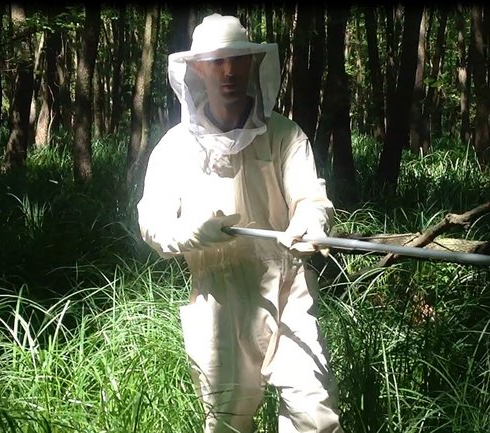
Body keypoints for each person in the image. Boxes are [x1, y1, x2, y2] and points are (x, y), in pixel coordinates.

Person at [136, 13, 343, 433]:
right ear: (197, 68)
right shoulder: (174, 149)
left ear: (253, 64)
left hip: (288, 294)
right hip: (217, 303)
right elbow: (153, 224)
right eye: (216, 61)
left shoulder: (284, 134)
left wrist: (309, 222)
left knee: (313, 415)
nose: (228, 71)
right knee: (228, 423)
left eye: (237, 60)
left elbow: (309, 197)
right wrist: (193, 232)